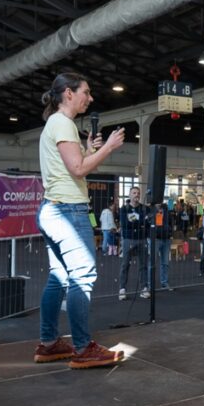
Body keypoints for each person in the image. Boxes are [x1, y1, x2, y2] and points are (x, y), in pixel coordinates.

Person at [33, 72, 125, 369]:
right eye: (86, 92)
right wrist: (109, 147)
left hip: (53, 209)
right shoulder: (62, 122)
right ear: (69, 94)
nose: (91, 97)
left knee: (59, 277)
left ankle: (48, 344)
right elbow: (78, 170)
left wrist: (89, 151)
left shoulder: (57, 124)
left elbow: (75, 164)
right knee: (82, 276)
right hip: (68, 212)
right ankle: (83, 348)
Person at [119, 186, 151, 299]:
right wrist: (141, 221)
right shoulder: (124, 209)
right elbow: (125, 224)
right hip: (128, 239)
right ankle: (122, 289)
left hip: (142, 239)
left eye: (138, 193)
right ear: (129, 195)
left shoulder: (144, 208)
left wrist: (136, 221)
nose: (136, 195)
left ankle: (144, 288)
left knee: (143, 265)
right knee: (125, 264)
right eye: (134, 193)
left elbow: (147, 224)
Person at [148, 202, 173, 291]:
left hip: (166, 239)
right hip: (155, 239)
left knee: (165, 263)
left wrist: (170, 233)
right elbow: (148, 223)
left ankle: (164, 282)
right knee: (152, 262)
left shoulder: (166, 211)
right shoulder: (150, 211)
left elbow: (171, 223)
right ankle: (150, 284)